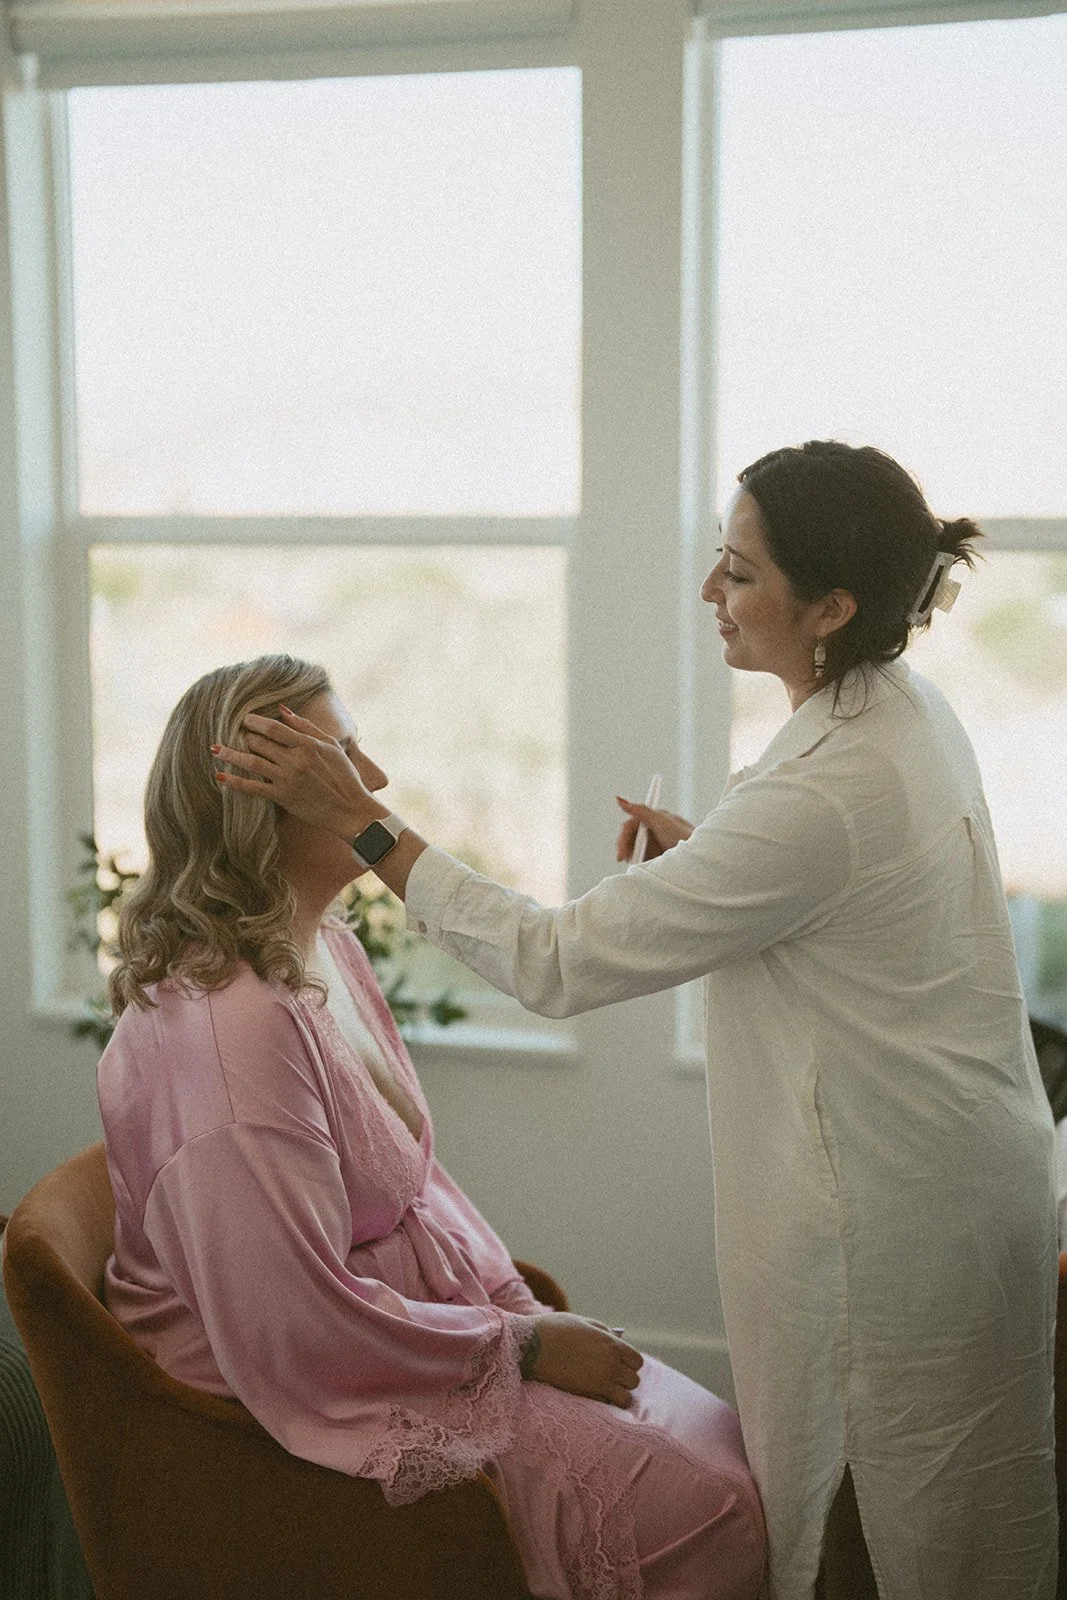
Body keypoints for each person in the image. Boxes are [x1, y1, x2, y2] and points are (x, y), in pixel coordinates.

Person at [215, 441, 1059, 1600]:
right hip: (962, 1175)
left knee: (883, 1529)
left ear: (830, 607)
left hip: (892, 1224)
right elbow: (847, 899)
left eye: (740, 573)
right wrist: (709, 868)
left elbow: (552, 960)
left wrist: (364, 822)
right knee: (942, 1521)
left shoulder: (823, 788)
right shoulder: (901, 711)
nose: (710, 590)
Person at [98, 654, 767, 1600]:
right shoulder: (231, 1033)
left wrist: (515, 1311)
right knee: (714, 1512)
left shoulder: (324, 952)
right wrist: (521, 1348)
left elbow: (417, 1192)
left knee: (730, 1454)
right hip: (287, 1405)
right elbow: (290, 1322)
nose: (373, 780)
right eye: (340, 761)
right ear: (255, 804)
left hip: (421, 1333)